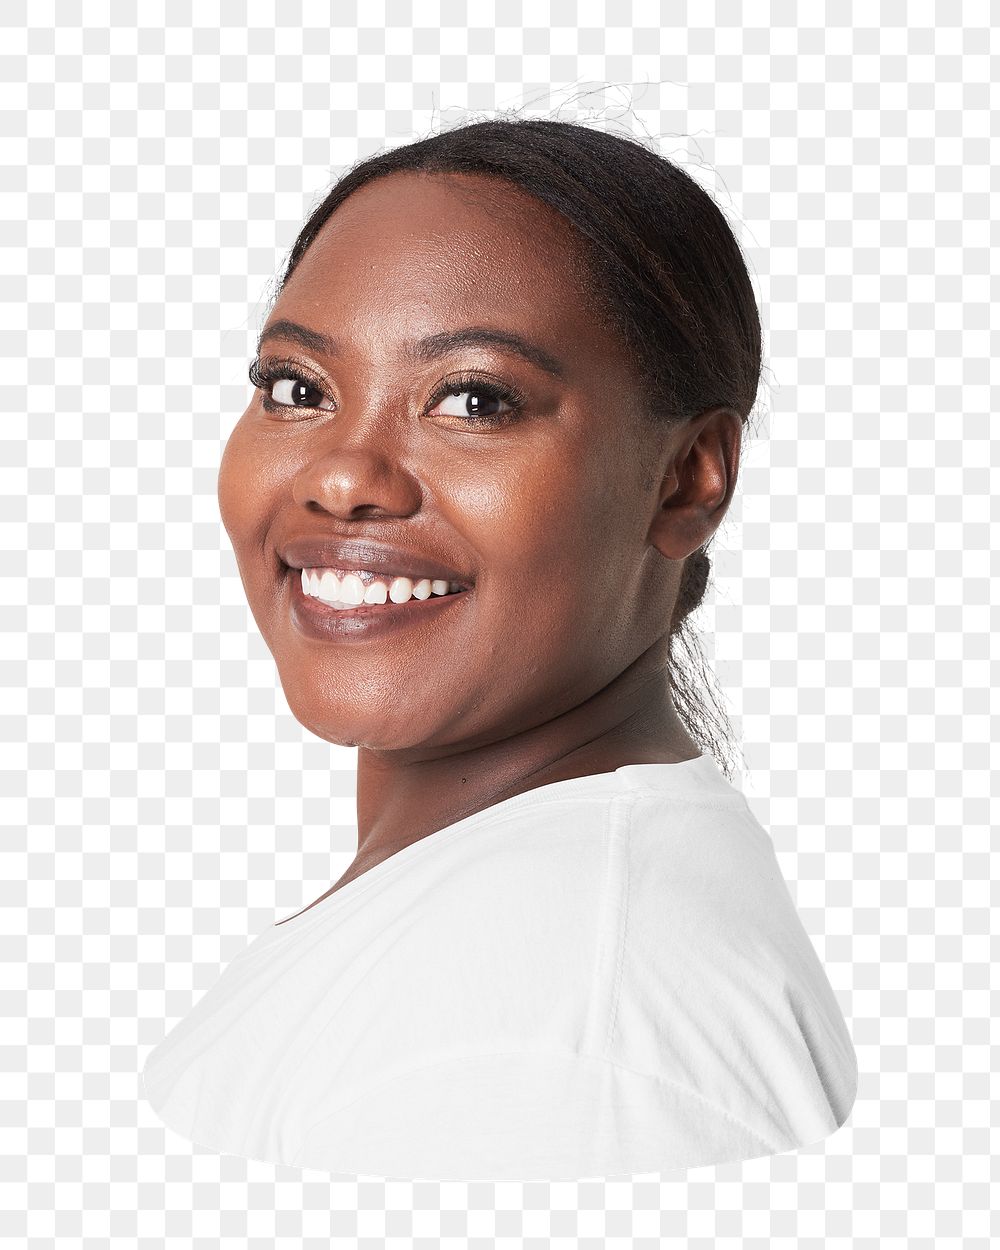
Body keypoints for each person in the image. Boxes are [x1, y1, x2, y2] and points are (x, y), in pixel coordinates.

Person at [141, 115, 858, 1180]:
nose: (344, 476)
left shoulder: (552, 1037)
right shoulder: (498, 934)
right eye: (297, 387)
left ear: (686, 478)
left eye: (474, 399)